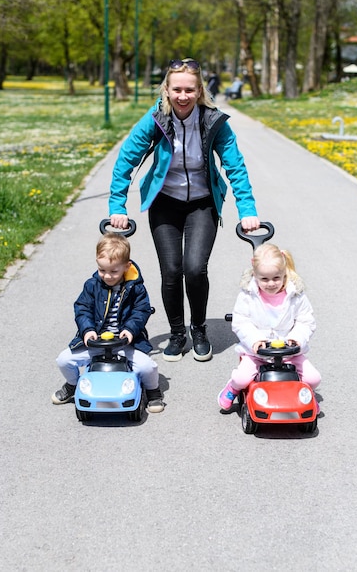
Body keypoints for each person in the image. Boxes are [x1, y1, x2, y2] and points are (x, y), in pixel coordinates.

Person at [109, 58, 260, 363]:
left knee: (194, 268)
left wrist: (248, 210)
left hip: (202, 203)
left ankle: (200, 329)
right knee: (171, 272)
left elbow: (235, 166)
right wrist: (117, 205)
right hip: (165, 202)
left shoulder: (214, 121)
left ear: (199, 90)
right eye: (176, 89)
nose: (182, 96)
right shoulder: (155, 119)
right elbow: (126, 159)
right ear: (166, 89)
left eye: (189, 90)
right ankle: (177, 334)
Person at [51, 232, 164, 413]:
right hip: (96, 340)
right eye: (102, 270)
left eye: (114, 271)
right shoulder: (91, 285)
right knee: (64, 360)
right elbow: (82, 308)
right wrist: (87, 330)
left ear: (126, 267)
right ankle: (72, 385)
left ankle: (153, 392)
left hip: (124, 341)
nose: (107, 276)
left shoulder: (136, 288)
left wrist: (130, 330)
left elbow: (141, 311)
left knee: (147, 366)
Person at [218, 243, 321, 411]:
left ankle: (306, 395)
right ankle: (233, 388)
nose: (271, 283)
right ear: (255, 274)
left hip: (290, 354)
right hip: (257, 354)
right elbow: (241, 321)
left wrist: (296, 339)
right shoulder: (248, 295)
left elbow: (306, 321)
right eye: (264, 279)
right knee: (242, 378)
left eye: (276, 278)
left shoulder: (295, 295)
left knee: (313, 378)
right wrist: (255, 340)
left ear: (284, 273)